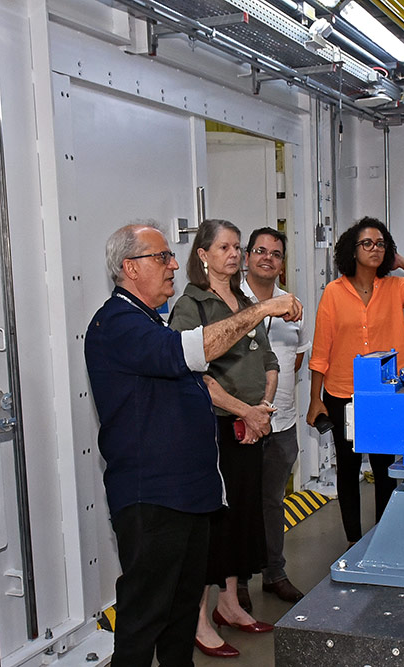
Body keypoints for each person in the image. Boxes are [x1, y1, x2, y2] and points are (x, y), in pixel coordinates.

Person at [84, 222, 301, 667]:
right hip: (153, 497)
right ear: (130, 268)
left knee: (181, 614)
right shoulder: (119, 324)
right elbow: (193, 351)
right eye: (160, 257)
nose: (170, 265)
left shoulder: (151, 321)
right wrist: (261, 310)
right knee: (145, 616)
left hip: (189, 495)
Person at [169, 219, 277, 659]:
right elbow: (195, 373)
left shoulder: (246, 300)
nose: (234, 254)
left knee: (241, 519)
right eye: (225, 247)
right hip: (214, 428)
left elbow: (269, 359)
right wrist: (244, 412)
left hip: (252, 427)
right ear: (203, 254)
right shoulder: (191, 305)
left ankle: (230, 605)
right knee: (211, 524)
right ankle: (198, 619)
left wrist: (262, 410)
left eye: (237, 247)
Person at [306, 217, 404, 547]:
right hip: (341, 392)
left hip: (385, 394)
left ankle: (382, 537)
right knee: (349, 469)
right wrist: (314, 397)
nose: (375, 249)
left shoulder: (394, 289)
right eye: (367, 243)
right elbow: (321, 349)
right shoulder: (333, 294)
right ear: (352, 250)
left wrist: (399, 262)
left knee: (383, 468)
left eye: (381, 244)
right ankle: (353, 540)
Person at [239, 227, 312, 606]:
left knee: (272, 502)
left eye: (276, 253)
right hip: (242, 423)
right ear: (247, 257)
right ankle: (235, 585)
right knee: (239, 503)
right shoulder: (233, 301)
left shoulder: (293, 304)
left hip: (281, 423)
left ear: (283, 263)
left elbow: (297, 357)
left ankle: (274, 573)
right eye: (260, 251)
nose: (268, 257)